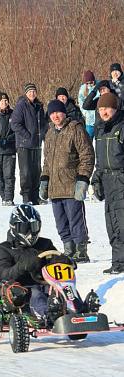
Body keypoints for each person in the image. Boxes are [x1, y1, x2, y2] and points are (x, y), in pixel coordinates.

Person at [40, 99, 94, 262]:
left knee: (75, 219)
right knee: (61, 221)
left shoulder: (75, 129)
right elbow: (47, 161)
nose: (55, 116)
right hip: (55, 187)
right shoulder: (49, 133)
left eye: (58, 112)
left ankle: (81, 250)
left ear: (64, 113)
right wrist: (44, 179)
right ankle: (68, 248)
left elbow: (87, 155)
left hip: (71, 185)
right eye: (52, 113)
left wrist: (83, 179)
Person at [0, 204, 56, 322]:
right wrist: (23, 265)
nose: (30, 232)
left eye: (34, 226)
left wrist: (64, 260)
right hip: (21, 290)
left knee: (65, 289)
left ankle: (79, 310)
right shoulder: (3, 249)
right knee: (36, 294)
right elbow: (4, 274)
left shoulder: (45, 244)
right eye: (25, 228)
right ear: (15, 227)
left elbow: (55, 262)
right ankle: (48, 318)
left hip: (46, 284)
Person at [91, 93, 124, 274]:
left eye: (107, 108)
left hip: (121, 179)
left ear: (115, 108)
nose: (103, 112)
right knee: (111, 223)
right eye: (101, 109)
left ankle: (121, 263)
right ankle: (118, 261)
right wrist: (97, 179)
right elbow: (100, 160)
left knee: (121, 222)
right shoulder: (101, 130)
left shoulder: (122, 127)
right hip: (107, 180)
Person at [11, 83, 48, 205]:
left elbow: (43, 123)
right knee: (26, 172)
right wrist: (27, 135)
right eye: (30, 91)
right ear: (26, 93)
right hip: (24, 145)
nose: (32, 93)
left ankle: (35, 196)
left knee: (36, 171)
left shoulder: (39, 106)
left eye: (34, 91)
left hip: (36, 144)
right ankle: (26, 197)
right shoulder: (21, 105)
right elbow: (15, 124)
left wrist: (42, 135)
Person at [78, 71, 97, 139]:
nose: (89, 84)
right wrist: (85, 113)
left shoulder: (98, 86)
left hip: (99, 119)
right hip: (89, 121)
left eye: (91, 82)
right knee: (88, 139)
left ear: (94, 80)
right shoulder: (83, 89)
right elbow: (81, 102)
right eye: (87, 83)